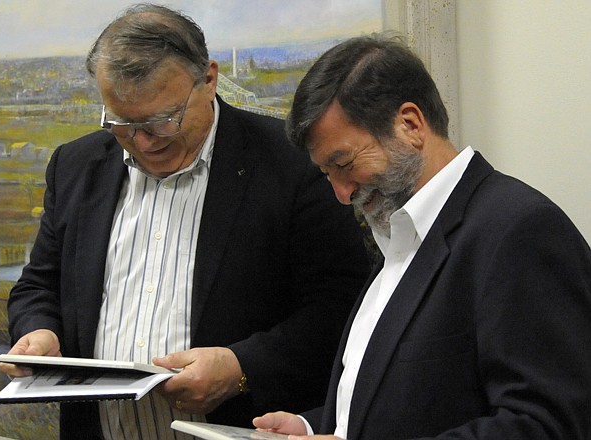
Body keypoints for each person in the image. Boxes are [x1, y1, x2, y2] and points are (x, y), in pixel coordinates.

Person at [0, 4, 372, 440]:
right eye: (121, 123)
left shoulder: (291, 165)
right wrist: (38, 332)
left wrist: (241, 368)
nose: (142, 141)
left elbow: (339, 309)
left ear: (209, 79)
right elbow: (39, 284)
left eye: (162, 120)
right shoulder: (76, 165)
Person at [253, 34, 591, 439]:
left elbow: (551, 423)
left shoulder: (518, 230)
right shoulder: (400, 233)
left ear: (410, 124)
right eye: (328, 175)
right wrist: (315, 425)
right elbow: (411, 398)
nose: (342, 195)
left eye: (344, 164)